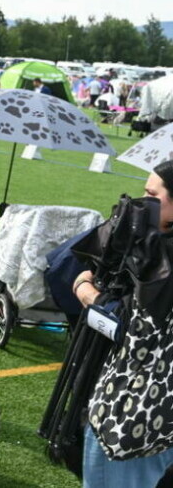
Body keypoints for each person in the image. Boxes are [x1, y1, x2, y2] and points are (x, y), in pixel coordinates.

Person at [74, 161, 173, 487]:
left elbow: (132, 330)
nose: (141, 203)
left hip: (132, 413)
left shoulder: (161, 261)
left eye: (151, 195)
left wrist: (86, 292)